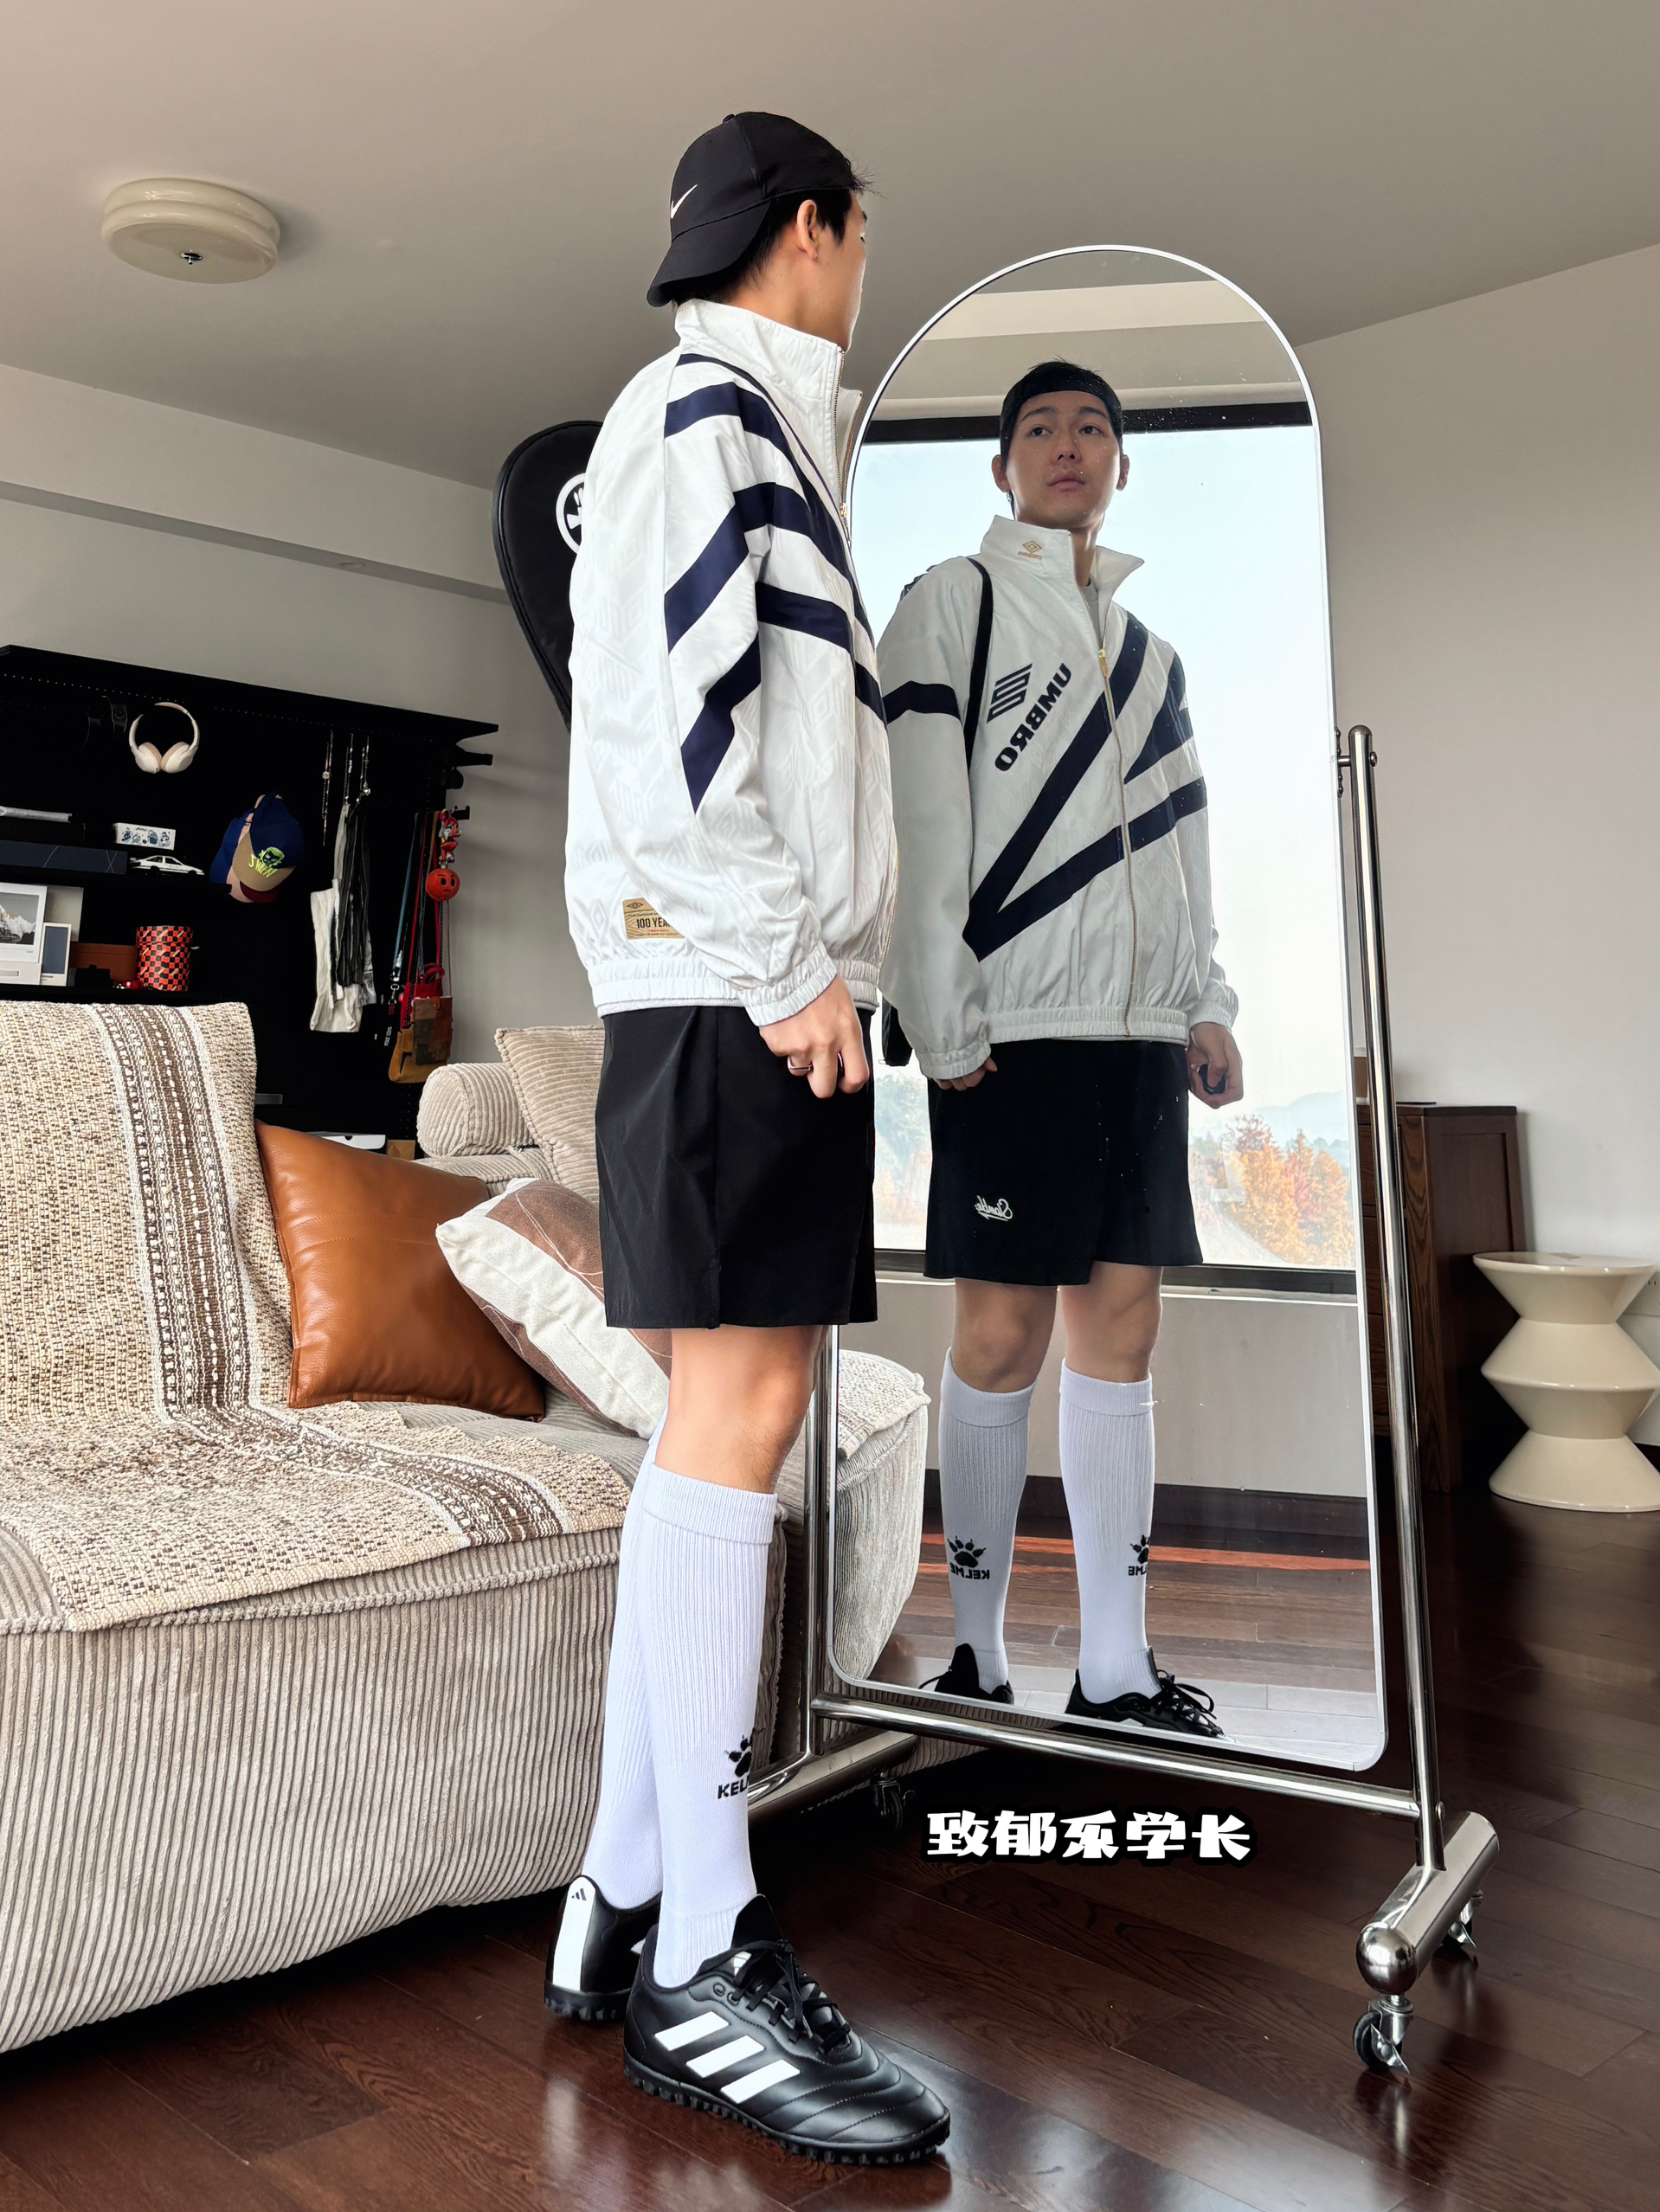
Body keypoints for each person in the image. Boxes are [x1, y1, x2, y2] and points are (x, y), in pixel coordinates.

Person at [546, 112, 948, 2165]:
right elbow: (661, 725)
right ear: (813, 227)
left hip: (744, 987)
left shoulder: (755, 431)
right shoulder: (703, 416)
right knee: (746, 1409)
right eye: (860, 235)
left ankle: (622, 1898)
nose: (864, 267)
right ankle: (705, 1957)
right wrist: (793, 966)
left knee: (725, 1416)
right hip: (732, 992)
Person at [878, 360, 1243, 1739]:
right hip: (1008, 1035)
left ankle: (1114, 1670)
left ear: (1121, 463)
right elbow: (917, 822)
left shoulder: (1153, 658)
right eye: (1038, 428)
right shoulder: (951, 605)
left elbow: (1185, 846)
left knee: (1123, 1329)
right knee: (999, 1334)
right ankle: (974, 1658)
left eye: (1092, 427)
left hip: (1137, 1037)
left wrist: (1205, 998)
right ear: (1002, 467)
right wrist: (938, 1011)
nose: (1067, 445)